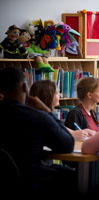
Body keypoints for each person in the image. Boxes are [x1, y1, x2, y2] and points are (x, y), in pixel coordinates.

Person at [0, 67, 74, 196]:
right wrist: (47, 110)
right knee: (73, 177)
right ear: (25, 87)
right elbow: (68, 144)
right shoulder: (36, 117)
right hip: (30, 180)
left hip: (7, 179)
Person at [29, 80, 95, 139]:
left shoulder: (42, 116)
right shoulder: (42, 119)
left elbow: (60, 128)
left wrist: (82, 132)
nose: (60, 95)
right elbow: (66, 143)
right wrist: (73, 134)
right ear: (48, 96)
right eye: (57, 93)